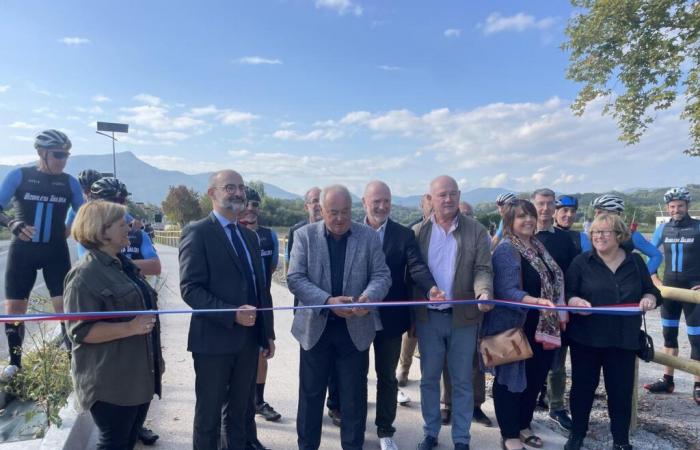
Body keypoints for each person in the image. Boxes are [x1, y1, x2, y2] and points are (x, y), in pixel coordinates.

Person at [287, 184, 391, 450]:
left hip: (354, 330)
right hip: (315, 330)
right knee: (310, 397)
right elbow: (295, 278)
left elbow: (382, 275)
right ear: (321, 210)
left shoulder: (368, 236)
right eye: (333, 212)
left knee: (353, 399)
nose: (340, 218)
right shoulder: (303, 236)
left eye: (345, 212)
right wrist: (327, 301)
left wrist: (369, 297)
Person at [179, 170, 275, 450]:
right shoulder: (197, 232)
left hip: (247, 342)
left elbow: (260, 289)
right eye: (229, 187)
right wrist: (230, 313)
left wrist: (266, 333)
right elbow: (190, 289)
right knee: (208, 417)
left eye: (241, 188)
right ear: (212, 193)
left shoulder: (249, 237)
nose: (237, 193)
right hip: (213, 342)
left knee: (241, 414)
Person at [64, 200, 163, 450]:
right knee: (115, 443)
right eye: (121, 224)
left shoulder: (123, 266)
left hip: (138, 375)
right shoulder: (84, 275)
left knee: (126, 442)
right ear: (102, 231)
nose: (129, 226)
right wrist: (130, 328)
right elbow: (80, 331)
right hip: (111, 382)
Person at [564, 213, 660, 450]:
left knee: (620, 391)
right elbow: (567, 293)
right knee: (582, 389)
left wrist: (649, 298)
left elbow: (652, 292)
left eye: (605, 231)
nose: (599, 236)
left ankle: (620, 440)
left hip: (623, 339)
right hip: (586, 338)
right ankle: (577, 435)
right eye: (595, 232)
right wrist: (575, 301)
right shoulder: (581, 262)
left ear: (619, 235)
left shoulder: (635, 262)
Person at [413, 175, 493, 450]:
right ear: (430, 199)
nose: (447, 200)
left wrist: (483, 291)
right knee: (429, 379)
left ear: (459, 196)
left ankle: (461, 438)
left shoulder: (477, 231)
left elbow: (483, 268)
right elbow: (413, 272)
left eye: (452, 194)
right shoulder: (418, 233)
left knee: (462, 380)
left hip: (463, 319)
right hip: (428, 319)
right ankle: (430, 433)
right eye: (441, 195)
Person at [0, 129, 83, 378]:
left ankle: (73, 363)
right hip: (22, 251)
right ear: (41, 153)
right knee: (14, 309)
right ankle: (15, 363)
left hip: (55, 251)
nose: (63, 160)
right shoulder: (19, 175)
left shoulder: (69, 182)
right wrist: (12, 224)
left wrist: (71, 228)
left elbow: (85, 213)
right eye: (58, 154)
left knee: (64, 308)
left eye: (66, 155)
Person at [361, 181, 438, 450]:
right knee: (354, 375)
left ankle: (385, 429)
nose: (382, 206)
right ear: (364, 203)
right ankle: (355, 425)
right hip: (356, 318)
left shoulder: (403, 235)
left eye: (386, 201)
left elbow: (416, 266)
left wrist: (431, 288)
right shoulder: (352, 231)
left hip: (391, 319)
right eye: (376, 201)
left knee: (387, 376)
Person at [485, 199, 565, 450]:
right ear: (510, 221)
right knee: (510, 381)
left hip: (542, 324)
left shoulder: (538, 246)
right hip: (515, 324)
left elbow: (554, 278)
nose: (528, 220)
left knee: (534, 378)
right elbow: (505, 290)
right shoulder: (507, 249)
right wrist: (536, 301)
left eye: (530, 215)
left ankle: (524, 424)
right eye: (521, 217)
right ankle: (508, 433)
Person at [285, 187, 342, 426]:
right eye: (313, 201)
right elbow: (293, 274)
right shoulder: (298, 232)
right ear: (306, 206)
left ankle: (335, 405)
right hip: (309, 311)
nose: (318, 206)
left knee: (337, 370)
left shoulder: (341, 231)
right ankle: (311, 418)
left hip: (340, 313)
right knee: (312, 373)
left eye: (321, 201)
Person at [646, 187, 700, 404]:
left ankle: (698, 384)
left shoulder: (697, 227)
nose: (676, 209)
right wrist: (654, 280)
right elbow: (650, 255)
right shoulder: (663, 229)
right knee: (669, 336)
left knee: (697, 339)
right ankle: (667, 380)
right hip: (668, 290)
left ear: (687, 206)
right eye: (672, 206)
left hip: (693, 292)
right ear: (668, 208)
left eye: (680, 206)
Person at [532, 189, 579, 432]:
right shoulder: (523, 235)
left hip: (558, 309)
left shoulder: (564, 240)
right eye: (541, 203)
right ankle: (526, 407)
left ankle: (557, 406)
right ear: (533, 205)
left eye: (550, 204)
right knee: (528, 361)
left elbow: (575, 273)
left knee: (557, 363)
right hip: (529, 309)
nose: (545, 208)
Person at [238, 186, 282, 424]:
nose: (251, 209)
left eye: (255, 204)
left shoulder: (270, 235)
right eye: (247, 204)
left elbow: (272, 268)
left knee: (262, 352)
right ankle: (241, 402)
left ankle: (258, 400)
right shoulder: (233, 233)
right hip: (238, 303)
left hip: (263, 302)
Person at [397, 193, 432, 389]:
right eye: (429, 202)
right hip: (415, 289)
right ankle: (404, 368)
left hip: (437, 291)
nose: (432, 206)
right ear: (422, 205)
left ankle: (428, 376)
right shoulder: (414, 230)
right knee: (411, 333)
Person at [591, 194, 662, 274]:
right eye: (595, 212)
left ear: (614, 214)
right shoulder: (593, 235)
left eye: (599, 212)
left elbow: (656, 256)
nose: (595, 216)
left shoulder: (631, 235)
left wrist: (643, 277)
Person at [65, 168, 103, 235]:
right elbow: (65, 233)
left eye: (92, 189)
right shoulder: (75, 210)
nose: (87, 193)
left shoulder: (110, 208)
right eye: (84, 189)